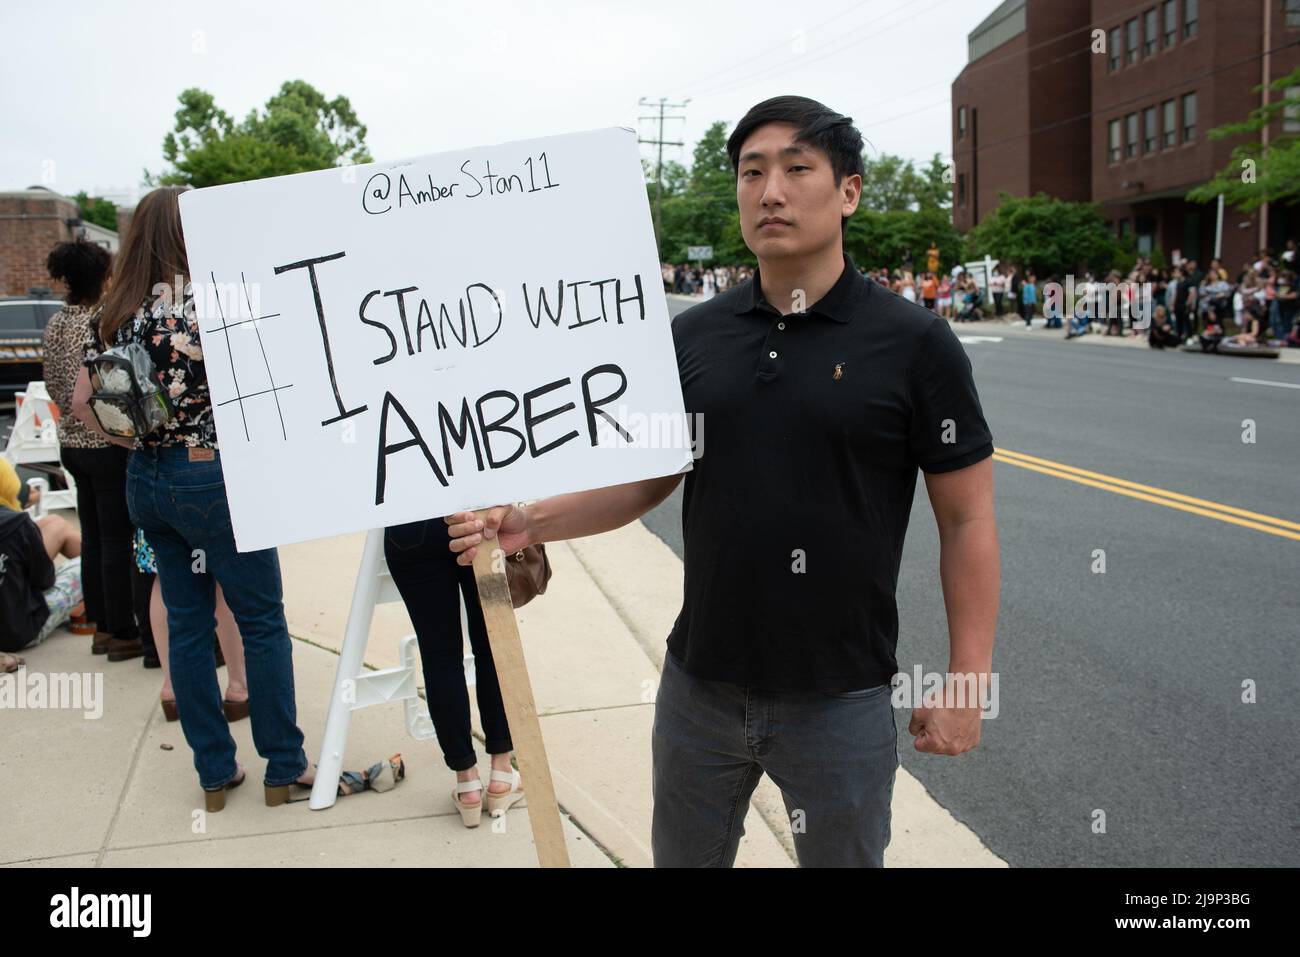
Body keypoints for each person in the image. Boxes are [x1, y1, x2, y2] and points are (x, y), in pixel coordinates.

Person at [447, 96, 998, 868]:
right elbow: (647, 478)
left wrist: (968, 680)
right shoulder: (694, 335)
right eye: (751, 172)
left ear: (849, 192)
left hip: (839, 698)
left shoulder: (915, 343)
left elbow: (968, 521)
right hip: (697, 687)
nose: (770, 191)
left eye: (797, 169)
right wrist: (529, 520)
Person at [71, 186, 314, 812]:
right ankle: (283, 765)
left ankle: (213, 773)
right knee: (260, 622)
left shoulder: (119, 312)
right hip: (216, 478)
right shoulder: (214, 303)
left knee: (186, 623)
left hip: (147, 481)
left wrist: (136, 445)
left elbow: (81, 404)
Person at [383, 520, 525, 827]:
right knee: (493, 644)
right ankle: (501, 772)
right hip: (476, 515)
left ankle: (467, 782)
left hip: (411, 526)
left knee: (439, 655)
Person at [42, 240, 143, 662]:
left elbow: (51, 383)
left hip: (70, 443)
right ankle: (121, 630)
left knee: (96, 538)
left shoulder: (55, 323)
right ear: (103, 278)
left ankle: (100, 623)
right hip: (104, 444)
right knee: (119, 540)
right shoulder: (101, 322)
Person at [1, 458, 83, 654]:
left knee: (55, 524)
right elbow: (44, 580)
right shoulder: (17, 524)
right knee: (93, 562)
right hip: (17, 631)